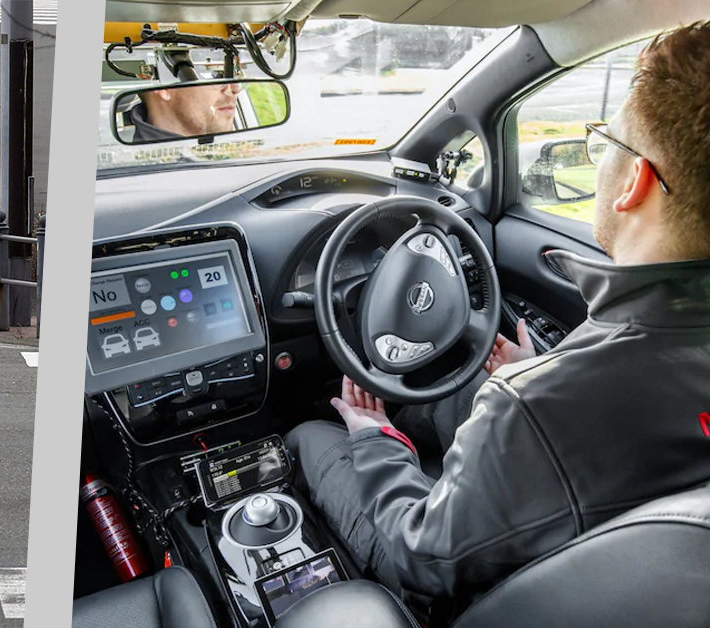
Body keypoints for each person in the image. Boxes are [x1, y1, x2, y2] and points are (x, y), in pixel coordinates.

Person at [284, 21, 710, 606]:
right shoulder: (560, 388)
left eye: (603, 142)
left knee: (309, 433)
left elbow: (421, 555)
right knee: (448, 394)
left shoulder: (539, 405)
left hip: (492, 589)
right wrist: (545, 368)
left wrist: (375, 438)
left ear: (633, 181)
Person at [127, 82, 242, 142]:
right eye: (216, 75)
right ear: (164, 88)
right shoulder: (145, 171)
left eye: (237, 75)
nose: (235, 89)